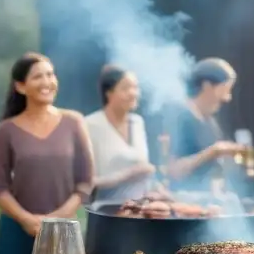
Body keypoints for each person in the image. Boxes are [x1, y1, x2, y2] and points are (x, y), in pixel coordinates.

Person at [0, 53, 95, 254]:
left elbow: (86, 181)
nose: (47, 81)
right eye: (38, 76)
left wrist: (56, 218)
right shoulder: (6, 130)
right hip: (17, 231)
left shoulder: (73, 122)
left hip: (64, 230)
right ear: (20, 86)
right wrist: (27, 219)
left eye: (50, 74)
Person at [166, 57, 242, 193]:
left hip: (208, 203)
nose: (228, 97)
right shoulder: (180, 116)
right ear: (207, 86)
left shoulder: (210, 120)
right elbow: (174, 171)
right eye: (225, 89)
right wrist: (213, 151)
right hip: (183, 201)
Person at [84, 65, 155, 205]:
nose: (133, 93)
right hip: (105, 209)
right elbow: (85, 182)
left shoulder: (138, 122)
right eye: (126, 88)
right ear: (108, 93)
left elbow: (143, 170)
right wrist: (128, 174)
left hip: (140, 209)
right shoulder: (90, 125)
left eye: (136, 87)